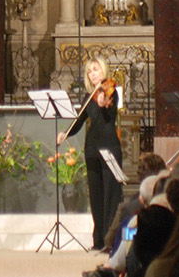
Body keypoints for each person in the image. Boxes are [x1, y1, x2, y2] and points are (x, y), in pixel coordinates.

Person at [58, 57, 125, 249]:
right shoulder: (89, 97)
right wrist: (65, 133)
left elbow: (110, 116)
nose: (92, 74)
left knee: (110, 195)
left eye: (95, 70)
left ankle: (110, 241)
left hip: (109, 148)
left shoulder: (112, 92)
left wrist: (104, 105)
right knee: (96, 196)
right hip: (92, 150)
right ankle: (98, 240)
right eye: (89, 71)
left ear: (103, 71)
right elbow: (78, 121)